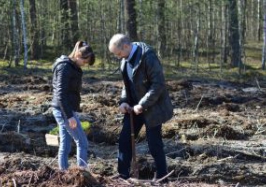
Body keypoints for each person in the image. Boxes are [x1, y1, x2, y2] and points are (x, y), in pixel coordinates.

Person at [108, 34, 173, 181]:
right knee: (125, 140)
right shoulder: (124, 60)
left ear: (126, 46)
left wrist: (142, 104)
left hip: (153, 108)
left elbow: (158, 85)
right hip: (133, 109)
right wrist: (123, 101)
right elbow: (127, 85)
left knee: (154, 144)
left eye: (118, 53)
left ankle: (163, 176)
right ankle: (122, 174)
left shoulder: (148, 57)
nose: (118, 57)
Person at [51, 41, 95, 170]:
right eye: (85, 61)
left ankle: (63, 173)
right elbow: (60, 94)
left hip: (65, 110)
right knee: (82, 142)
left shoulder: (72, 67)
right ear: (77, 55)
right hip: (64, 110)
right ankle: (82, 173)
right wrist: (69, 116)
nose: (85, 64)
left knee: (65, 144)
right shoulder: (64, 67)